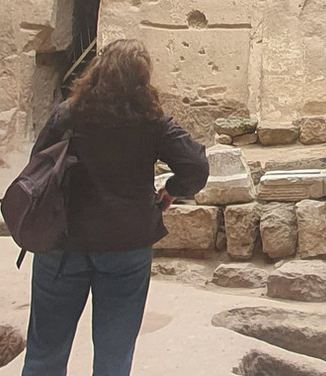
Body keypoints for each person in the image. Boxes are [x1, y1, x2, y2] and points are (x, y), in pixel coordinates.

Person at [20, 39, 209, 376]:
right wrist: (172, 190)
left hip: (64, 243)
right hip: (126, 247)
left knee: (44, 354)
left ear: (98, 72)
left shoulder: (68, 115)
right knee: (114, 357)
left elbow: (38, 166)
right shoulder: (153, 122)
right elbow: (196, 167)